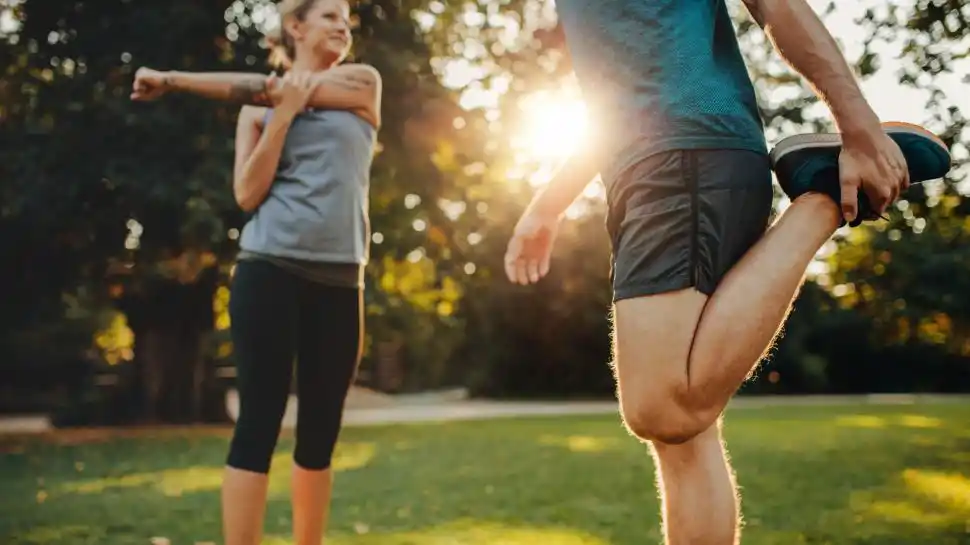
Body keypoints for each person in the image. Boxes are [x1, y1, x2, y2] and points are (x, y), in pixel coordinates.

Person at [503, 1, 950, 544]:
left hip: (683, 157)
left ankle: (823, 199)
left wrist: (859, 130)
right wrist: (548, 207)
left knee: (661, 408)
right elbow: (614, 101)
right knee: (683, 440)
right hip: (657, 167)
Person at [130, 1, 381, 544]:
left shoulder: (362, 84)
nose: (343, 26)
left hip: (341, 280)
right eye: (329, 16)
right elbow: (247, 194)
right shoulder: (257, 110)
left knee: (320, 430)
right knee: (258, 423)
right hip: (269, 269)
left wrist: (174, 80)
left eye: (345, 19)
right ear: (296, 26)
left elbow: (267, 87)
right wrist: (283, 116)